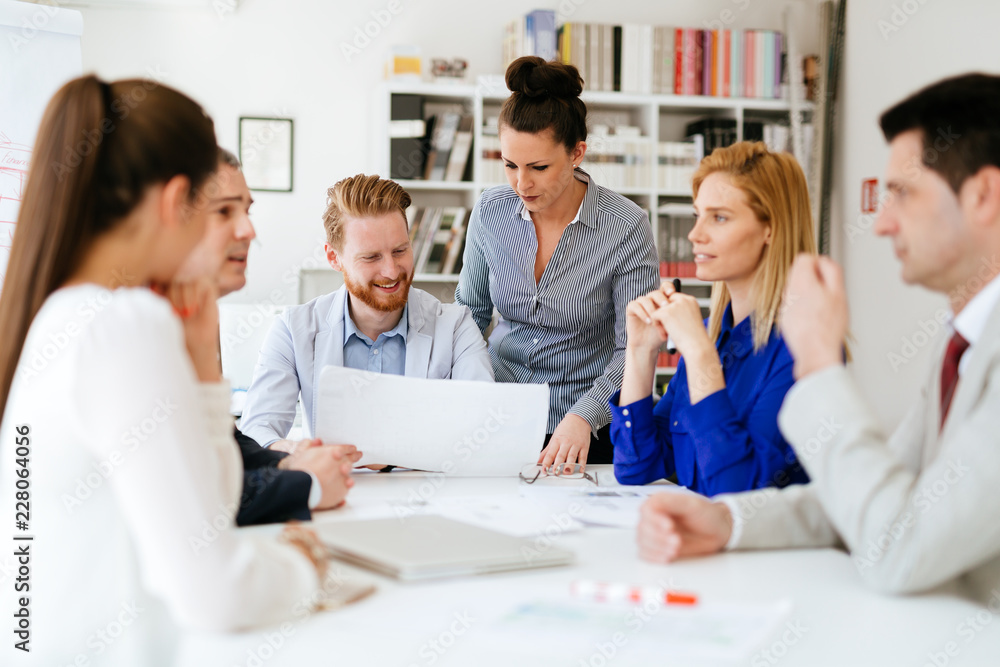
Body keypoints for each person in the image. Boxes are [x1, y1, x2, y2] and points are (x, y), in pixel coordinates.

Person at [0, 76, 346, 666]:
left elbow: (206, 508)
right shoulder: (124, 325)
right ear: (175, 201)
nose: (239, 231)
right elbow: (214, 592)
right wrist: (304, 569)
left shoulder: (61, 314)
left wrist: (203, 372)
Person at [635, 72, 1000, 602]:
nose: (881, 224)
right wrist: (727, 522)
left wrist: (821, 367)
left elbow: (900, 547)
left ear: (984, 195)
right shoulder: (961, 345)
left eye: (902, 195)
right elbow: (860, 498)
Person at [456, 56, 660, 468]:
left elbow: (633, 348)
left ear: (576, 154)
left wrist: (584, 416)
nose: (521, 183)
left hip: (585, 426)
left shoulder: (627, 227)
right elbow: (468, 316)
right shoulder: (490, 211)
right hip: (496, 414)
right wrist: (465, 394)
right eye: (510, 165)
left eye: (539, 167)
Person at [611, 142, 813, 495]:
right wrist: (640, 353)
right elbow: (637, 466)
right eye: (697, 215)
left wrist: (701, 357)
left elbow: (740, 494)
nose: (695, 234)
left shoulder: (803, 349)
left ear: (771, 228)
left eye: (719, 217)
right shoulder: (710, 337)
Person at [239, 173, 493, 450]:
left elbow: (483, 426)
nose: (391, 271)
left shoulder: (456, 327)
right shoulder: (293, 329)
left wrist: (394, 454)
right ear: (334, 258)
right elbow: (257, 431)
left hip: (428, 490)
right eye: (371, 257)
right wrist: (297, 451)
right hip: (337, 489)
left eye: (399, 250)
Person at [175, 148, 360, 525]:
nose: (249, 231)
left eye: (247, 210)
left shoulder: (196, 311)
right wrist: (307, 483)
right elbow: (189, 495)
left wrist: (290, 461)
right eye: (225, 211)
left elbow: (223, 443)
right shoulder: (143, 324)